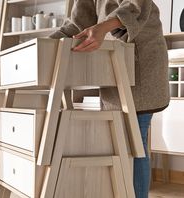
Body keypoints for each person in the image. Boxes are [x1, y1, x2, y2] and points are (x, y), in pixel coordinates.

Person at [50, 0, 170, 198]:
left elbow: (136, 5)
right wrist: (40, 45)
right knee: (121, 141)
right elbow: (77, 24)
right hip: (115, 66)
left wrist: (102, 27)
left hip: (143, 61)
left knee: (134, 139)